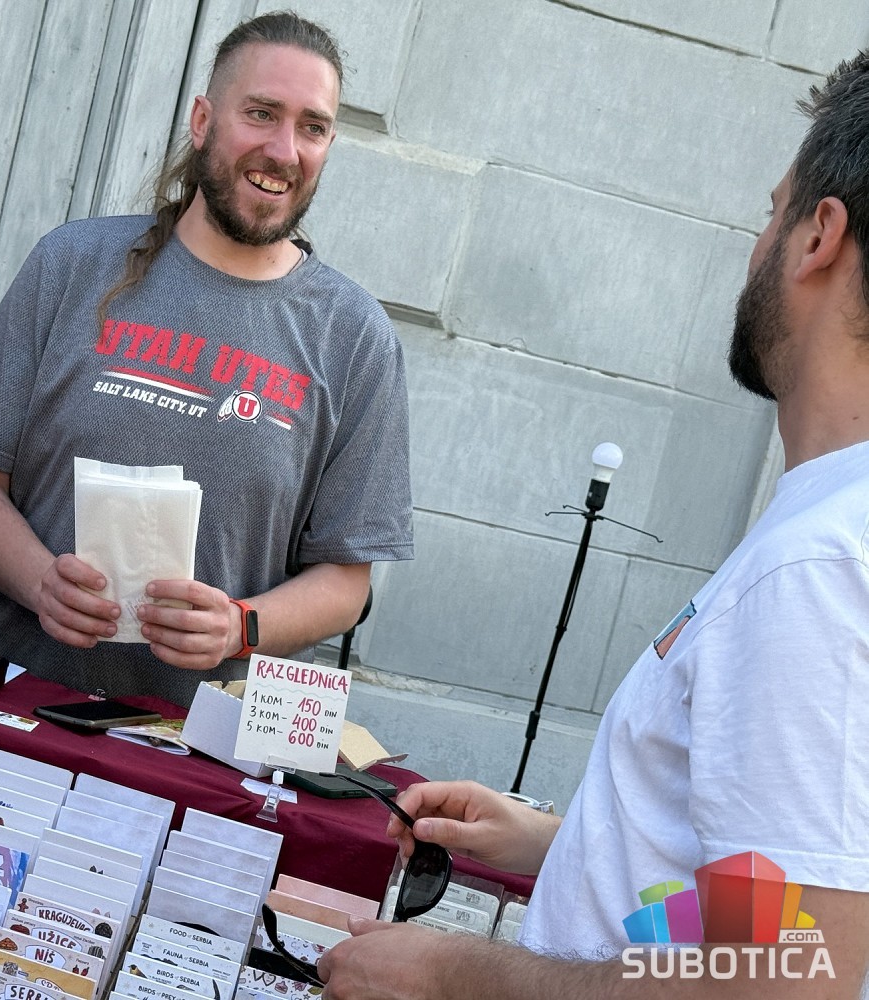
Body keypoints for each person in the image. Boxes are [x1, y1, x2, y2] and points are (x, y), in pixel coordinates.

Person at [317, 53, 869, 1000]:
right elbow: (773, 893)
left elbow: (787, 975)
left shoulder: (816, 566)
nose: (754, 248)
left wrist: (452, 973)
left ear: (818, 236)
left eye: (770, 213)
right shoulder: (826, 529)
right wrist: (575, 847)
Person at [0, 12, 413, 707]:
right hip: (8, 698)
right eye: (261, 113)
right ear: (202, 121)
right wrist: (40, 583)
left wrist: (240, 627)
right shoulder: (72, 264)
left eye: (312, 127)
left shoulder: (356, 337)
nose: (284, 149)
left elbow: (346, 582)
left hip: (198, 737)